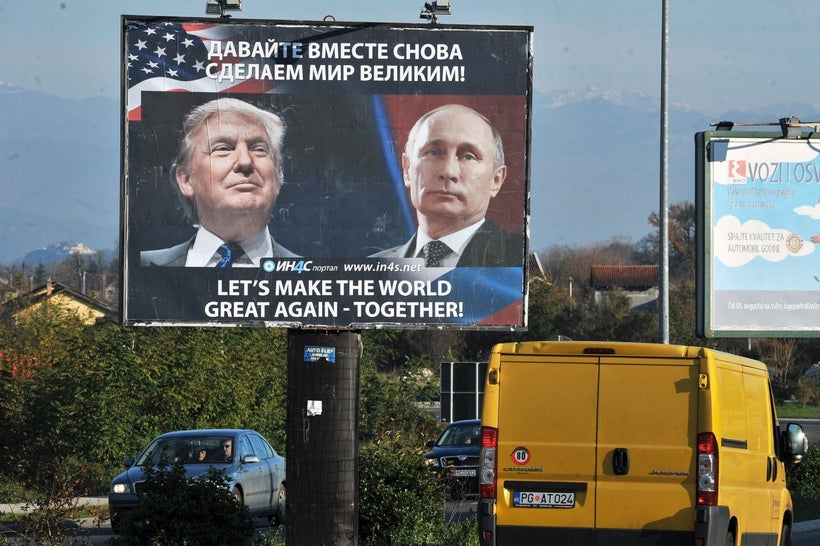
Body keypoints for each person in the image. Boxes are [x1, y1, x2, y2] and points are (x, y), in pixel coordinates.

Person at [141, 97, 299, 267]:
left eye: (259, 149)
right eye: (223, 148)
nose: (245, 161)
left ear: (278, 175)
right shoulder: (143, 265)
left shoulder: (315, 276)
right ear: (186, 179)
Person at [370, 103, 523, 267]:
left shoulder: (519, 259)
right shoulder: (371, 269)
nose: (448, 171)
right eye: (433, 152)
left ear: (496, 180)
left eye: (468, 157)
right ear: (407, 169)